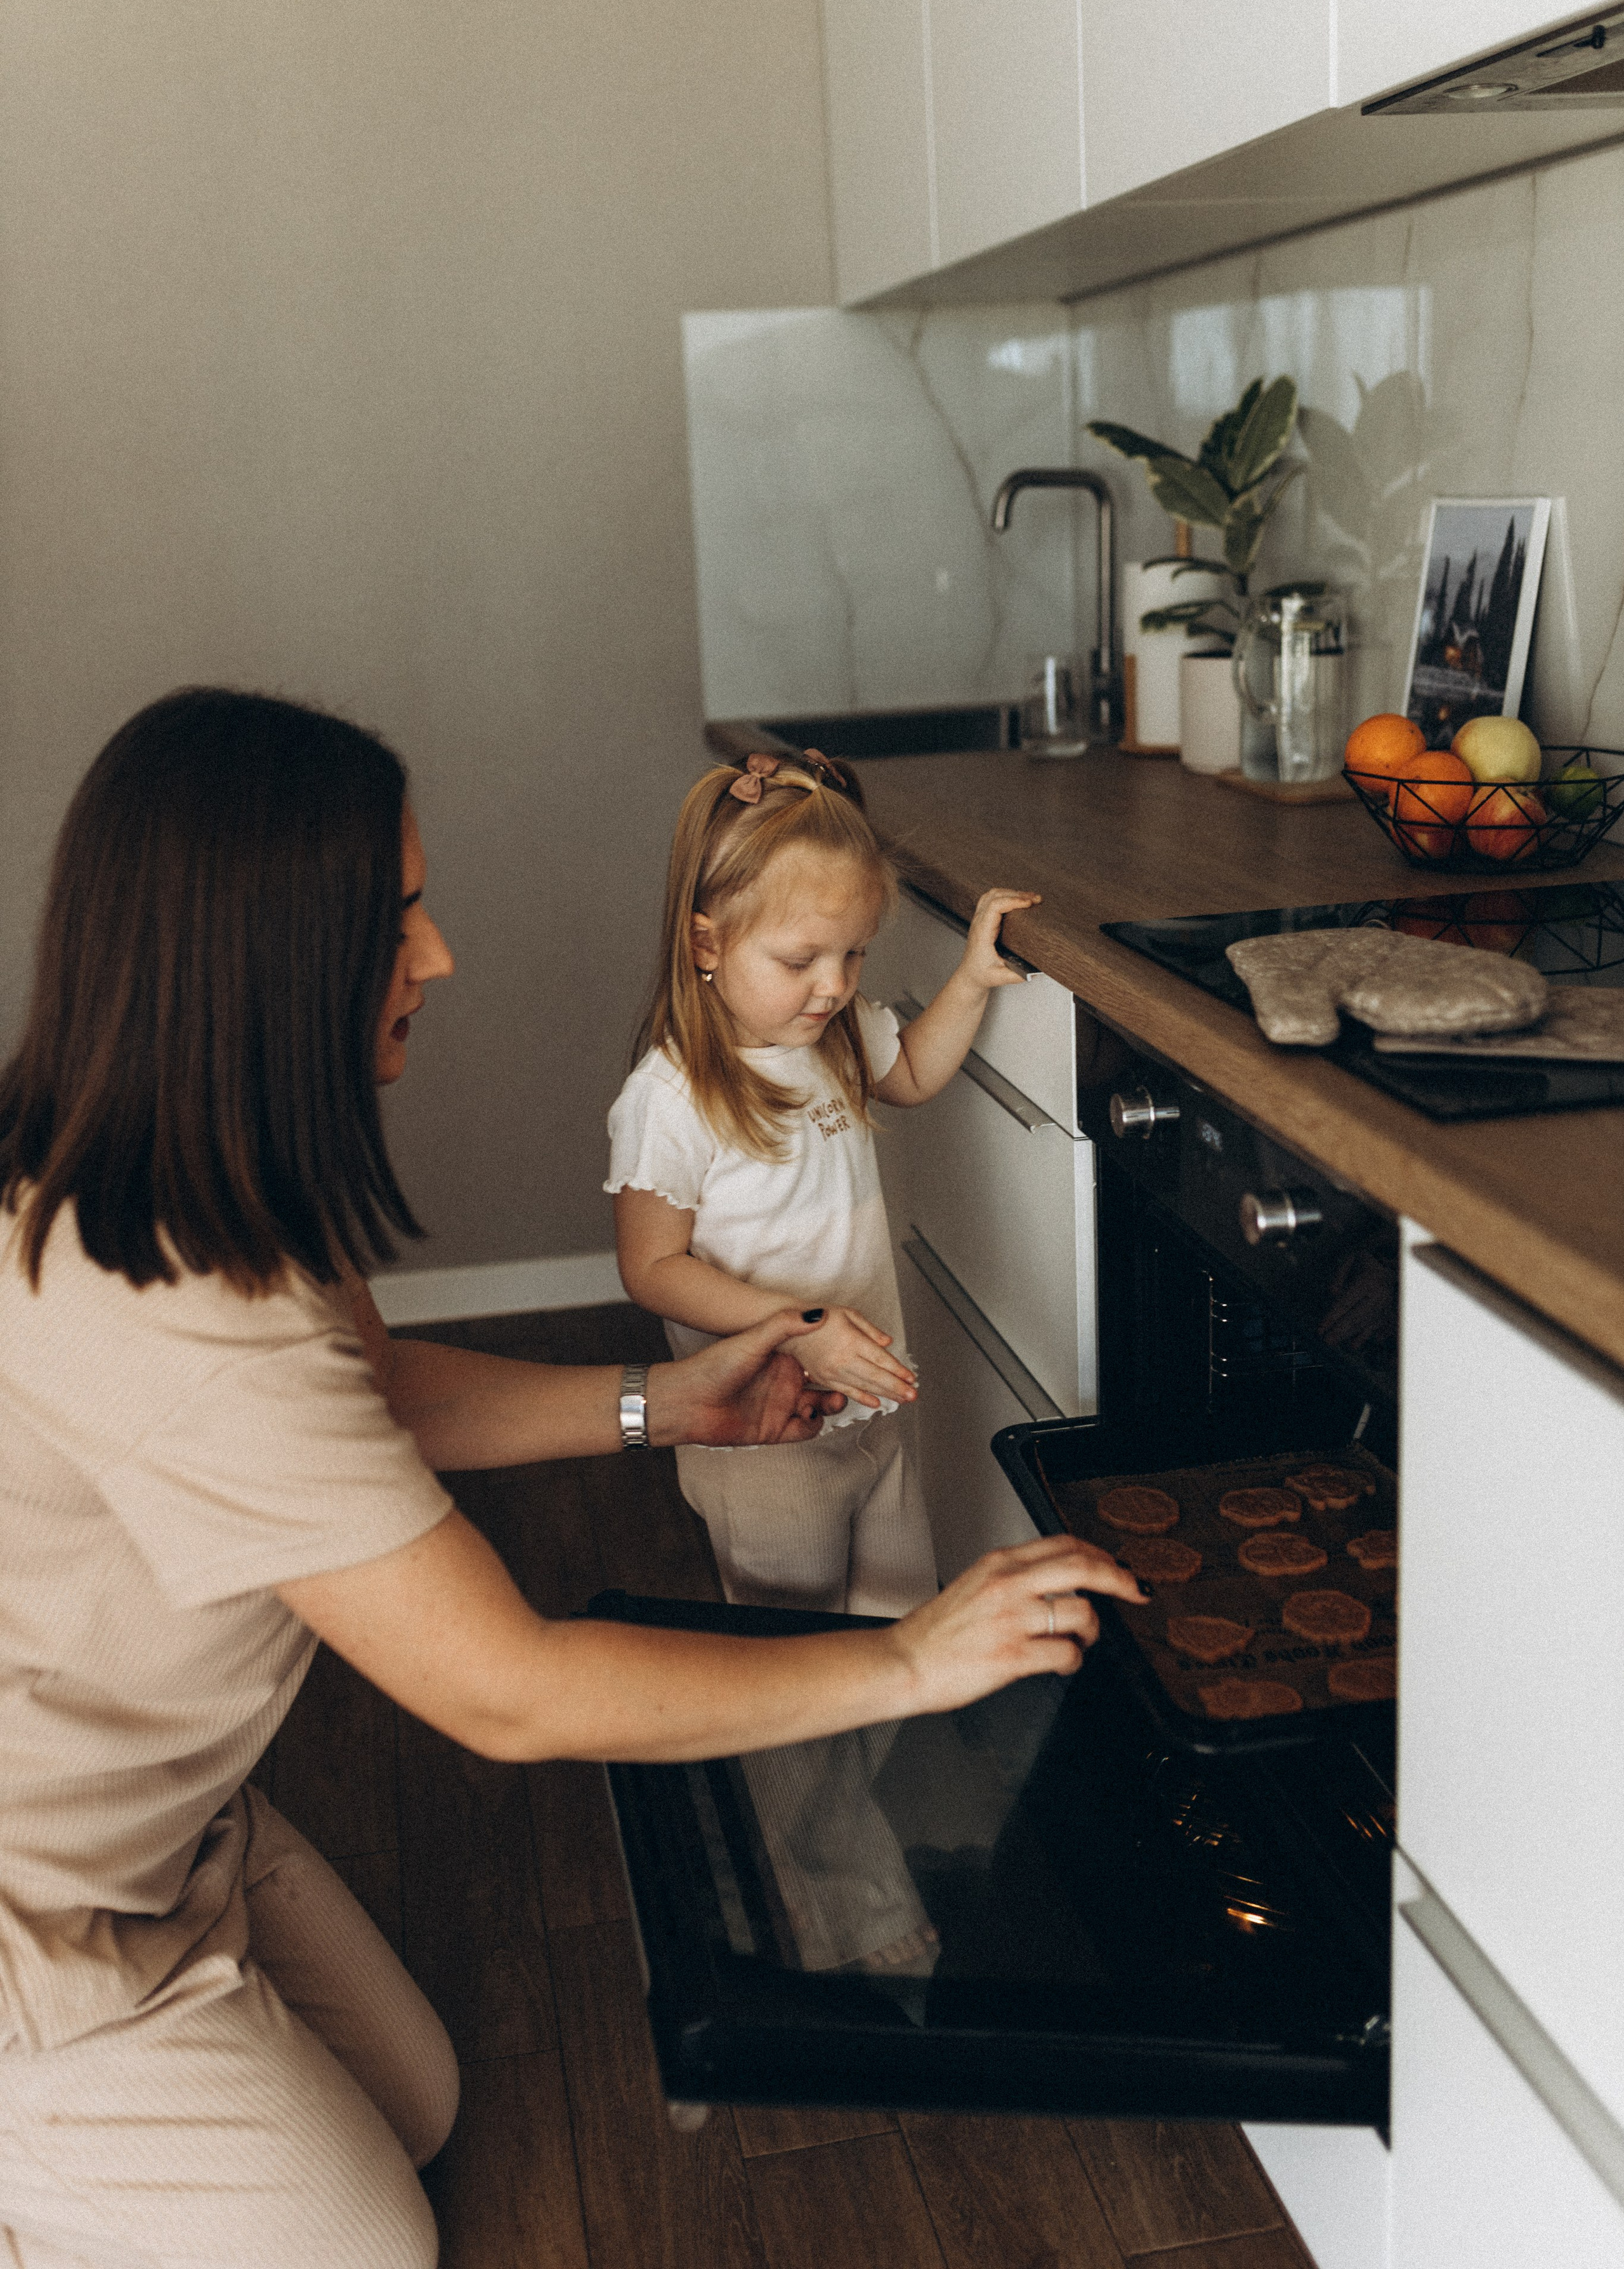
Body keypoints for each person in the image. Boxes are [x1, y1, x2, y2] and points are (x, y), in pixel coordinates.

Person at [0, 689, 1141, 2269]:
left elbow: (368, 1396)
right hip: (36, 1917)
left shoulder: (198, 1183)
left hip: (175, 1831)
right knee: (376, 2249)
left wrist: (662, 1405)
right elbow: (510, 1691)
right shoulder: (179, 1303)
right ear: (263, 956)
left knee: (418, 2105)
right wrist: (907, 1659)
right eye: (397, 919)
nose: (440, 956)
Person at [608, 746, 1040, 1619]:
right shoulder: (673, 1097)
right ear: (706, 942)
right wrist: (799, 1329)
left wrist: (970, 979)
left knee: (898, 1625)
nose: (834, 986)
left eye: (854, 955)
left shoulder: (832, 1039)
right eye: (801, 959)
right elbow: (652, 1268)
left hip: (871, 1405)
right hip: (762, 1433)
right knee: (795, 1647)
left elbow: (910, 1072)